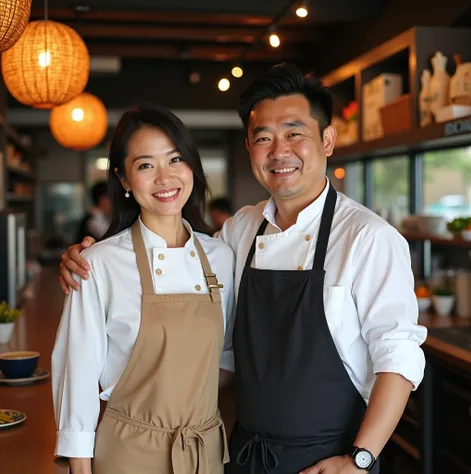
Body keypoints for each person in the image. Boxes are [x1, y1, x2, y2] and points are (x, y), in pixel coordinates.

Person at [58, 64, 427, 474]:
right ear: (249, 148)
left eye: (294, 134)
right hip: (241, 455)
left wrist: (360, 459)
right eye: (262, 138)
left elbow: (398, 356)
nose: (278, 151)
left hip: (331, 462)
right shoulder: (237, 233)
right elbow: (174, 261)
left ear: (327, 140)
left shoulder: (368, 238)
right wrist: (88, 256)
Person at [52, 105, 235, 474]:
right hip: (128, 453)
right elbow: (78, 375)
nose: (165, 178)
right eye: (146, 165)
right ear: (123, 179)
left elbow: (225, 355)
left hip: (203, 451)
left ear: (192, 167)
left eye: (175, 159)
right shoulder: (99, 263)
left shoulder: (222, 256)